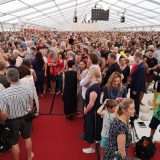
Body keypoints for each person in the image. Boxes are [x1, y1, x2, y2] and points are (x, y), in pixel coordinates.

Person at [0, 68, 34, 160]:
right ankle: (29, 157)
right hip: (26, 117)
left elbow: (3, 114)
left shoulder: (4, 94)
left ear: (8, 79)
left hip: (12, 121)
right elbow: (31, 105)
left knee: (14, 143)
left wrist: (3, 122)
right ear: (18, 77)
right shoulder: (28, 89)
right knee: (27, 138)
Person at [83, 66, 102, 154]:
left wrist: (86, 110)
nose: (88, 74)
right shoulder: (94, 84)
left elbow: (91, 103)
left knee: (92, 129)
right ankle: (93, 146)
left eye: (89, 72)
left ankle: (92, 148)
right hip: (92, 111)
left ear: (92, 73)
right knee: (92, 128)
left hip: (92, 112)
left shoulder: (94, 87)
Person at [130, 51, 146, 121]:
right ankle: (134, 114)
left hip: (136, 89)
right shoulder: (139, 65)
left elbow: (140, 80)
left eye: (135, 57)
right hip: (134, 87)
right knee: (134, 101)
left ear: (139, 57)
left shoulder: (142, 67)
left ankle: (135, 115)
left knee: (135, 102)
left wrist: (135, 90)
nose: (134, 58)